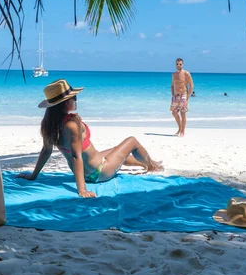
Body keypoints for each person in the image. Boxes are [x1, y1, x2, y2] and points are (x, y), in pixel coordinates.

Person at [17, 79, 163, 198]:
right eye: (74, 97)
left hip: (87, 171)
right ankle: (151, 165)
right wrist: (82, 190)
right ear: (66, 102)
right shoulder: (71, 124)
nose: (76, 100)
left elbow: (46, 151)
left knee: (114, 151)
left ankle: (145, 164)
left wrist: (33, 176)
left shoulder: (49, 124)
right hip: (99, 172)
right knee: (132, 141)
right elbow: (76, 157)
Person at [170, 58, 194, 136]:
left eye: (180, 64)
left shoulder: (186, 73)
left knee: (182, 113)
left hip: (183, 95)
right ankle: (180, 128)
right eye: (177, 64)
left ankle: (182, 131)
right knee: (174, 112)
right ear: (175, 64)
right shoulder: (174, 74)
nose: (178, 65)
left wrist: (188, 97)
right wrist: (173, 95)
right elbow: (172, 85)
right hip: (175, 96)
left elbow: (191, 85)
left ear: (182, 64)